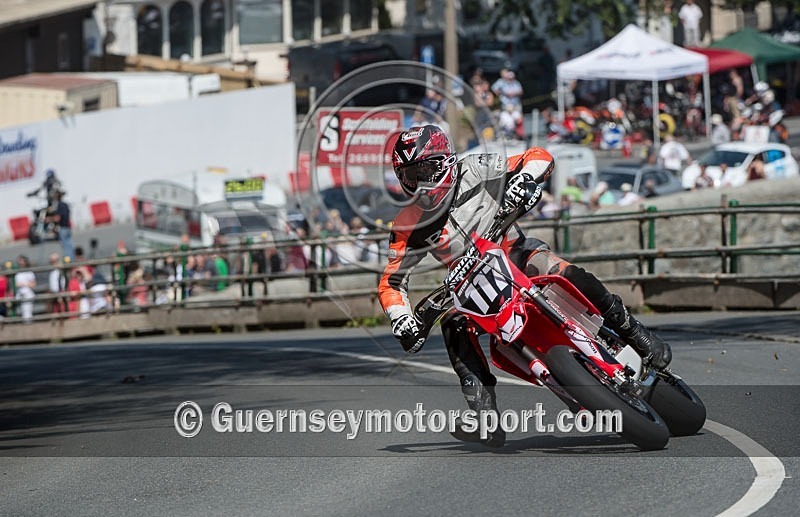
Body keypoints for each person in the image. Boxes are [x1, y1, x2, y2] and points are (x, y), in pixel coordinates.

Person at [379, 125, 673, 447]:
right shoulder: (408, 222)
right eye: (410, 176)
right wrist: (401, 318)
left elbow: (538, 156)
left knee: (563, 271)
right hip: (471, 285)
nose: (420, 183)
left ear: (445, 160)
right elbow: (392, 280)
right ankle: (484, 415)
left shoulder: (475, 167)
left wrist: (525, 179)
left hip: (516, 253)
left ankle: (633, 331)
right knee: (452, 323)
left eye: (425, 170)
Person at [46, 189, 74, 260]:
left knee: (66, 247)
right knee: (69, 246)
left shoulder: (60, 206)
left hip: (63, 228)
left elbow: (57, 218)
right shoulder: (65, 205)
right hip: (67, 227)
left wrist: (48, 219)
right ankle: (72, 260)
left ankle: (69, 261)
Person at [14, 255, 36, 323]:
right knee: (23, 313)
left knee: (28, 313)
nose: (20, 262)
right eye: (19, 261)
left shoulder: (29, 273)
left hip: (27, 294)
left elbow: (33, 284)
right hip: (20, 294)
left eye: (22, 261)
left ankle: (28, 326)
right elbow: (16, 284)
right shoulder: (17, 273)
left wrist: (24, 283)